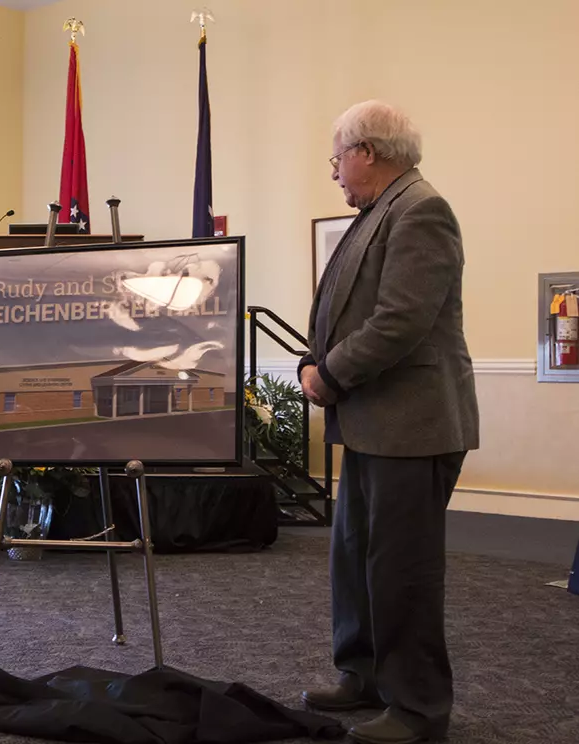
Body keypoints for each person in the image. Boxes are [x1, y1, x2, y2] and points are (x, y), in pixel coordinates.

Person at [298, 101, 479, 744]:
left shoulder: (421, 210)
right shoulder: (381, 212)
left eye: (338, 157)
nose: (336, 172)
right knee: (356, 560)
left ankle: (419, 709)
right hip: (376, 425)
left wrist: (330, 376)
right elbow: (350, 314)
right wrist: (311, 359)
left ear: (367, 152)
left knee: (402, 570)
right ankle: (364, 676)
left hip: (415, 427)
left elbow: (401, 320)